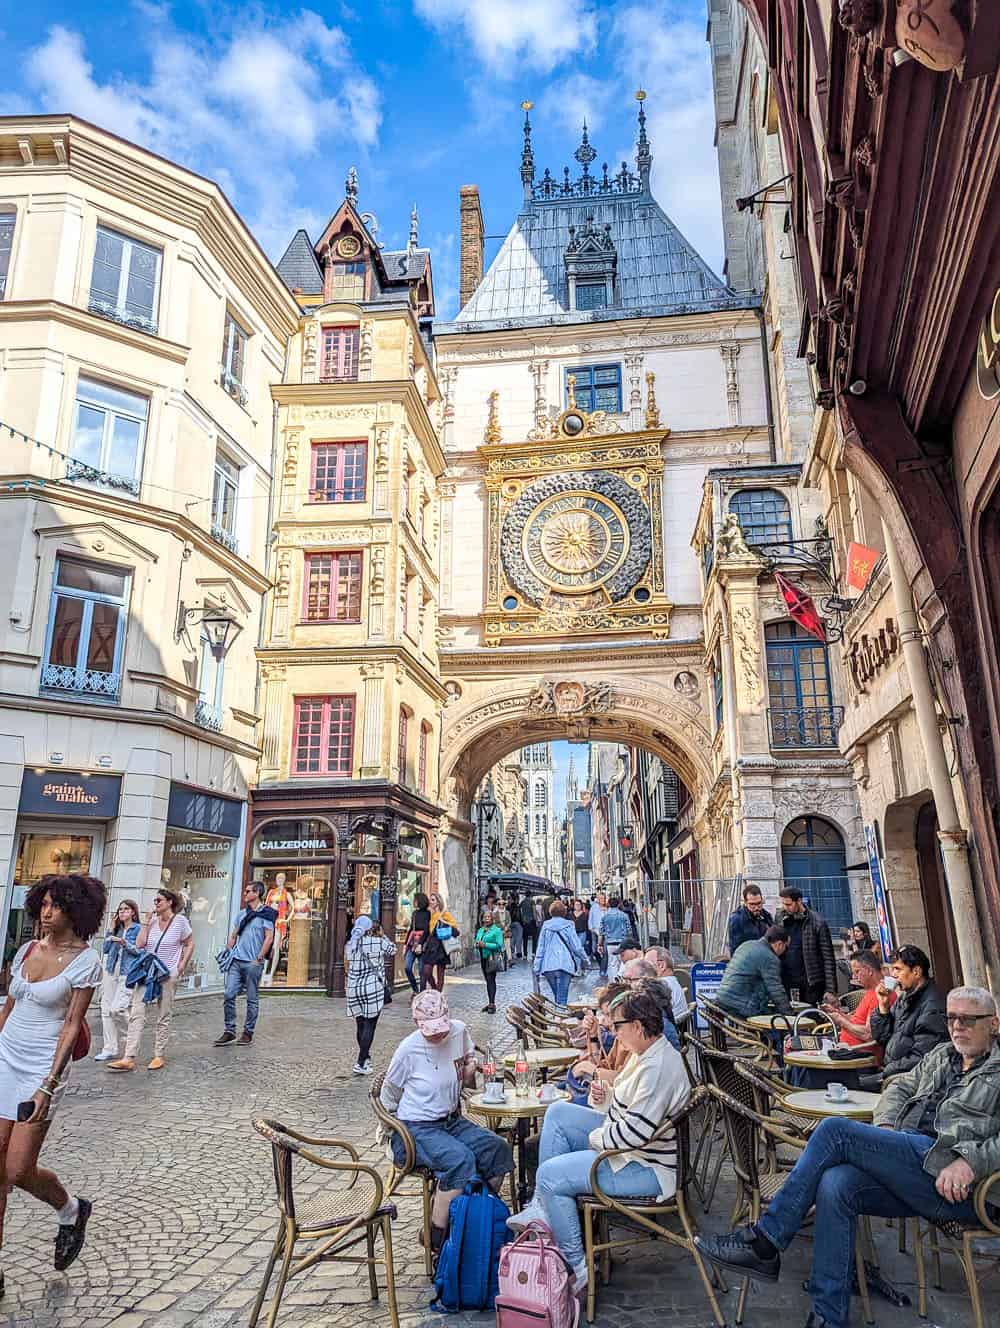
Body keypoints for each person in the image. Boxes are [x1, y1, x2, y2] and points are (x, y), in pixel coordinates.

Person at [694, 985, 1000, 1328]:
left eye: (968, 1019)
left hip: (960, 1184)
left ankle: (765, 1242)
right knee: (835, 1183)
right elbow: (900, 1086)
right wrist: (884, 1123)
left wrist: (971, 1160)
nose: (957, 1026)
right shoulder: (943, 1054)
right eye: (952, 1017)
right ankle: (828, 1317)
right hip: (913, 1159)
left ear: (994, 1023)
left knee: (834, 1131)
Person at [509, 989, 690, 1293]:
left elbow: (635, 1134)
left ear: (637, 1025)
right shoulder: (646, 1054)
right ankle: (543, 1208)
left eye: (617, 1026)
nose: (614, 1032)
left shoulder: (656, 1067)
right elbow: (627, 1106)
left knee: (550, 1175)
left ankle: (576, 1266)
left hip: (646, 1168)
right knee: (557, 1113)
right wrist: (605, 1099)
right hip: (632, 1152)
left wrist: (594, 1138)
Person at [0, 873, 106, 1288]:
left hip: (41, 1068)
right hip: (4, 1059)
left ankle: (71, 1210)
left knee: (19, 1169)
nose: (46, 912)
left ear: (75, 911)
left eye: (55, 905)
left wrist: (49, 1082)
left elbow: (71, 1025)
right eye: (42, 904)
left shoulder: (86, 961)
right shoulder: (27, 949)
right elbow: (9, 1008)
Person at [379, 990, 513, 1253]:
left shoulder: (458, 1031)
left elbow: (468, 1058)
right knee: (459, 1160)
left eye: (441, 1027)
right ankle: (436, 1235)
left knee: (497, 1150)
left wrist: (470, 1067)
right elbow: (389, 1093)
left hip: (452, 1120)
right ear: (418, 1024)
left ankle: (473, 1216)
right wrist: (392, 1130)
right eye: (431, 1030)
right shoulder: (409, 1049)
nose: (438, 1034)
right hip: (416, 1125)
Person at [110, 885, 193, 1073]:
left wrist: (181, 965)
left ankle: (158, 1054)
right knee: (136, 1012)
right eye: (154, 901)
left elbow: (190, 943)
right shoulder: (152, 922)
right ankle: (129, 1057)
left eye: (158, 901)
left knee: (163, 1013)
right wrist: (146, 923)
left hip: (167, 972)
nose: (155, 904)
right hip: (147, 972)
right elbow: (140, 944)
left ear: (169, 902)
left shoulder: (180, 922)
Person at [860, 943, 948, 1091]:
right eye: (892, 969)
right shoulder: (905, 997)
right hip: (890, 1071)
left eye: (898, 969)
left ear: (916, 972)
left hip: (906, 1080)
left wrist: (887, 1071)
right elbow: (880, 1037)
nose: (893, 975)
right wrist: (883, 1008)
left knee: (852, 1086)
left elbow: (923, 1057)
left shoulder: (933, 1005)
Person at [214, 881, 276, 1047]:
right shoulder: (241, 914)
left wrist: (259, 958)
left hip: (253, 962)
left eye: (248, 891)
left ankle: (248, 1032)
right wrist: (229, 950)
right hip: (237, 961)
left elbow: (269, 937)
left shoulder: (267, 914)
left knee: (252, 998)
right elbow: (234, 935)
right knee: (228, 994)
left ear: (257, 893)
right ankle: (229, 1030)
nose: (245, 894)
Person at [346, 917, 396, 1075]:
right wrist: (383, 935)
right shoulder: (378, 942)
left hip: (354, 988)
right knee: (370, 1025)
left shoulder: (351, 944)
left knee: (360, 1025)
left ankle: (365, 1058)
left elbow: (348, 962)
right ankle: (361, 1062)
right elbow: (393, 950)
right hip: (372, 988)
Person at [776, 885, 836, 1008]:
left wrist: (831, 989)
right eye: (783, 904)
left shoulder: (817, 922)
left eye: (788, 904)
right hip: (787, 979)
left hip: (810, 982)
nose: (785, 908)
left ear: (799, 901)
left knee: (811, 1017)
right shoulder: (780, 918)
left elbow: (828, 957)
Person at [820, 951, 894, 1052]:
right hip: (847, 1050)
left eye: (857, 972)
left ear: (869, 970)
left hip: (859, 1056)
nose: (854, 977)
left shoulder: (881, 994)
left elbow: (868, 1034)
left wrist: (841, 1021)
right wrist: (837, 1013)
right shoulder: (871, 991)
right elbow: (858, 1020)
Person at [96, 899, 141, 1062]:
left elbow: (140, 952)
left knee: (117, 1009)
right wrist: (110, 930)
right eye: (120, 909)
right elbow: (106, 949)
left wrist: (124, 943)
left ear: (133, 913)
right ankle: (109, 1048)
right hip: (111, 970)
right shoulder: (116, 929)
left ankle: (133, 1033)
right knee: (106, 1009)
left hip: (127, 972)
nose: (122, 912)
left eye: (126, 909)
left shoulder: (138, 929)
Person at [714, 927, 792, 1020]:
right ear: (779, 944)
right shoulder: (769, 958)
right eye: (786, 947)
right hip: (740, 1005)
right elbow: (777, 991)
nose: (786, 951)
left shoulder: (747, 944)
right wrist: (790, 1017)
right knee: (775, 1026)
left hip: (723, 999)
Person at [533, 900, 587, 1006]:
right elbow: (576, 946)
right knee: (562, 999)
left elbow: (540, 948)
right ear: (564, 912)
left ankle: (557, 1018)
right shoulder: (569, 925)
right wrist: (585, 958)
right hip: (565, 964)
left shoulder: (546, 925)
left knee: (557, 997)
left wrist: (537, 966)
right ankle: (560, 1019)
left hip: (548, 966)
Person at [620, 959, 681, 1051]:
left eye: (629, 980)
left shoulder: (658, 1022)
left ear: (645, 980)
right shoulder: (648, 1008)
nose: (624, 985)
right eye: (623, 979)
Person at [422, 891, 459, 993]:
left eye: (433, 900)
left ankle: (438, 996)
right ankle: (435, 991)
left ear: (438, 902)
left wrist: (443, 921)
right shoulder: (431, 914)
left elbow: (455, 929)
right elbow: (428, 931)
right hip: (431, 947)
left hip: (441, 946)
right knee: (426, 972)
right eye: (430, 900)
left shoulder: (445, 913)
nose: (431, 902)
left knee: (440, 974)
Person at [644, 946, 689, 1026]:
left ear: (661, 965)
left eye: (647, 964)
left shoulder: (662, 986)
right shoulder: (671, 982)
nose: (644, 968)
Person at [727, 884, 773, 955]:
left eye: (759, 903)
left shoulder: (766, 916)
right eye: (752, 904)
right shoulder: (736, 919)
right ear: (745, 903)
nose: (756, 907)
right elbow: (735, 948)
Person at [475, 908, 505, 1013]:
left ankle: (492, 1004)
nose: (487, 919)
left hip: (492, 957)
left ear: (493, 919)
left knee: (491, 979)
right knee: (488, 980)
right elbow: (477, 939)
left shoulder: (496, 930)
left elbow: (499, 945)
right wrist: (477, 943)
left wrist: (485, 945)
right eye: (485, 917)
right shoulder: (481, 930)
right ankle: (490, 1002)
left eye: (489, 917)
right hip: (483, 957)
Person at [598, 895, 633, 982]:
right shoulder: (624, 915)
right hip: (622, 942)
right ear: (618, 905)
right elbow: (629, 930)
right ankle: (621, 980)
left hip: (610, 943)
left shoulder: (605, 916)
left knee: (612, 964)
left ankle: (614, 983)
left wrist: (599, 944)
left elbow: (601, 932)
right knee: (623, 962)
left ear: (609, 904)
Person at [404, 891, 431, 995]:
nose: (413, 902)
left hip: (423, 944)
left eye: (415, 900)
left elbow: (427, 930)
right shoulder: (414, 913)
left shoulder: (428, 913)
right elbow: (411, 928)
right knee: (407, 967)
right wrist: (406, 944)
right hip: (413, 944)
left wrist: (420, 943)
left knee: (421, 970)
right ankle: (415, 989)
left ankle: (422, 992)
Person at [588, 892, 607, 974]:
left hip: (605, 932)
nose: (602, 900)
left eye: (603, 898)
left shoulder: (608, 908)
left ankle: (603, 970)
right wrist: (591, 927)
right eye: (601, 898)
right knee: (595, 950)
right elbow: (590, 918)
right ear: (598, 899)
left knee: (605, 951)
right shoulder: (594, 907)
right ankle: (601, 965)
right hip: (595, 931)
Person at [492, 895, 512, 971]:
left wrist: (506, 927)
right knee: (499, 946)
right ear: (498, 905)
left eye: (503, 904)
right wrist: (501, 928)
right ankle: (499, 958)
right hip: (499, 931)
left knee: (508, 945)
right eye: (499, 904)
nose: (501, 905)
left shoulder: (507, 912)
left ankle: (509, 960)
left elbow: (509, 921)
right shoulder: (495, 913)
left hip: (506, 931)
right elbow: (494, 922)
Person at [518, 890, 538, 961]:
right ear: (531, 895)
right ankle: (533, 953)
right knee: (534, 937)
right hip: (531, 921)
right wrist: (536, 921)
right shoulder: (532, 901)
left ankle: (525, 955)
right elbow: (534, 911)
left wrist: (522, 917)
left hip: (525, 922)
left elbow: (519, 908)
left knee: (525, 938)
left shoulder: (522, 901)